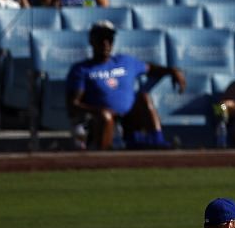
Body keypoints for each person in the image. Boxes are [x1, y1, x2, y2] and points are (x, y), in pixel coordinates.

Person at [67, 21, 184, 151]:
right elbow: (74, 105)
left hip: (129, 119)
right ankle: (102, 154)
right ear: (92, 41)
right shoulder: (82, 69)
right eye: (100, 39)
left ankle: (156, 140)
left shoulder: (125, 61)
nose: (105, 43)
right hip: (100, 120)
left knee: (143, 98)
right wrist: (99, 111)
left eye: (109, 39)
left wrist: (172, 71)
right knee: (106, 118)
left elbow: (150, 68)